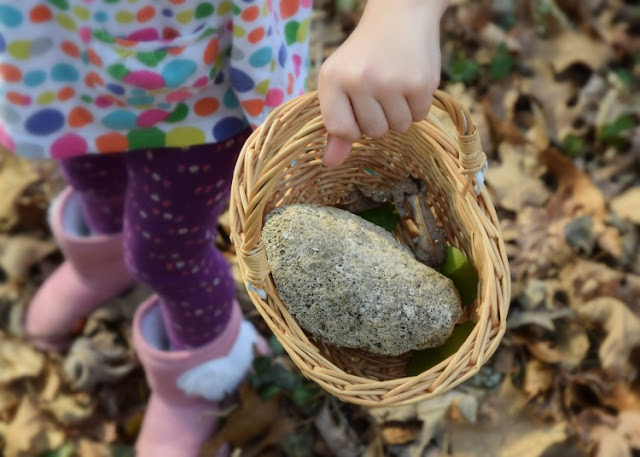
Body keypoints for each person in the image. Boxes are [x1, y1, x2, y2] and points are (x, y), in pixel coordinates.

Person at [0, 0, 448, 455]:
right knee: (89, 172)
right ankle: (103, 263)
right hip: (60, 38)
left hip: (199, 73)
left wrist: (404, 13)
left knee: (166, 250)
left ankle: (203, 363)